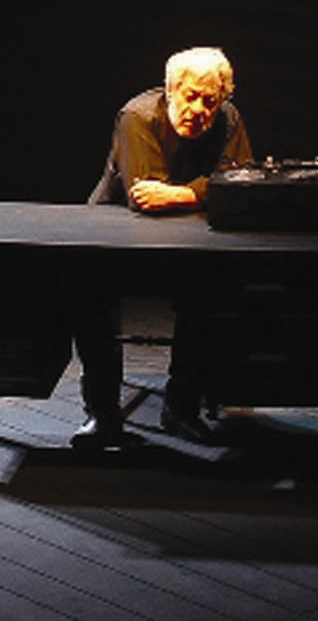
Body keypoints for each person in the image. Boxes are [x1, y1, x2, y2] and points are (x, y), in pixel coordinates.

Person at [71, 46, 254, 447]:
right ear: (171, 91)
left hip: (191, 239)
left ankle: (181, 407)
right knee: (91, 299)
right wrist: (210, 190)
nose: (199, 110)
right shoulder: (138, 116)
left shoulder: (229, 119)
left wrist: (184, 195)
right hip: (115, 236)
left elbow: (241, 185)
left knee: (208, 297)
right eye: (190, 97)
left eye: (211, 101)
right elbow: (145, 198)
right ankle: (101, 413)